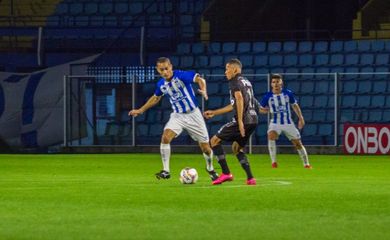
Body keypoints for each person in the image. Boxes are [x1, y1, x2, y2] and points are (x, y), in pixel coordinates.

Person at [129, 57, 218, 181]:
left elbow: (200, 79)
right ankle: (166, 170)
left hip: (194, 115)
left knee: (206, 149)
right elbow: (156, 98)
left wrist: (204, 90)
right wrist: (140, 110)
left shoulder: (181, 75)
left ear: (171, 66)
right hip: (178, 116)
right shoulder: (161, 84)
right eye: (161, 70)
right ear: (158, 70)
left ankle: (210, 168)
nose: (165, 72)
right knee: (165, 137)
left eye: (166, 68)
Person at [204, 58, 258, 185]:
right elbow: (236, 103)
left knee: (214, 141)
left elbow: (239, 98)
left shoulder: (234, 81)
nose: (225, 72)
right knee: (236, 148)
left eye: (227, 68)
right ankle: (250, 178)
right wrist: (214, 112)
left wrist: (239, 121)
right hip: (253, 120)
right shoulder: (246, 81)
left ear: (235, 69)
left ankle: (226, 173)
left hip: (244, 120)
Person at [259, 74, 312, 169]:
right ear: (271, 84)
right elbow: (260, 109)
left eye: (277, 82)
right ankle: (274, 162)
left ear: (281, 83)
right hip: (275, 123)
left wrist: (301, 118)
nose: (275, 84)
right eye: (273, 82)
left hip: (288, 123)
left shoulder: (288, 93)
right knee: (270, 135)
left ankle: (306, 164)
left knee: (297, 144)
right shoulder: (267, 96)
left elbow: (294, 105)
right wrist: (266, 110)